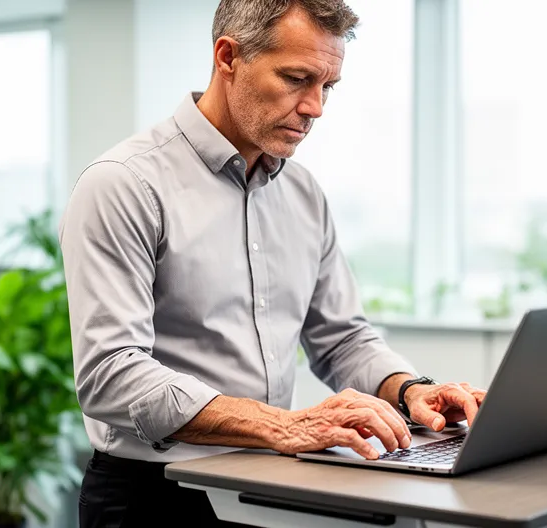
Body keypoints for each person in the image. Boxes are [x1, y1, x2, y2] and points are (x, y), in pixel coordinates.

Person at [59, 0, 487, 526]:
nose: (316, 107)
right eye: (297, 78)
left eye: (327, 86)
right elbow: (110, 375)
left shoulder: (303, 193)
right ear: (228, 56)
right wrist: (284, 426)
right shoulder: (124, 184)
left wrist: (411, 389)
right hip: (154, 495)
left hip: (265, 487)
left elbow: (342, 338)